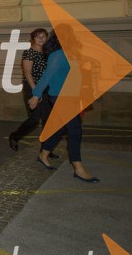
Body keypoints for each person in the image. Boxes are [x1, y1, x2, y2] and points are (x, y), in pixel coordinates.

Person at [27, 29, 98, 182]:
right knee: (75, 130)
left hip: (71, 95)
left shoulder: (70, 54)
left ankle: (43, 155)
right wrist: (36, 94)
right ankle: (78, 168)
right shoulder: (57, 54)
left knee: (59, 129)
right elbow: (48, 75)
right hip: (60, 96)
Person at [8, 28, 59, 158]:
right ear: (33, 39)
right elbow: (27, 72)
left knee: (48, 120)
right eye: (38, 37)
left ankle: (45, 150)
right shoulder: (29, 52)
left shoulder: (48, 52)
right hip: (32, 87)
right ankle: (15, 136)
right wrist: (36, 91)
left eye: (43, 36)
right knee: (35, 119)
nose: (41, 39)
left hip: (46, 88)